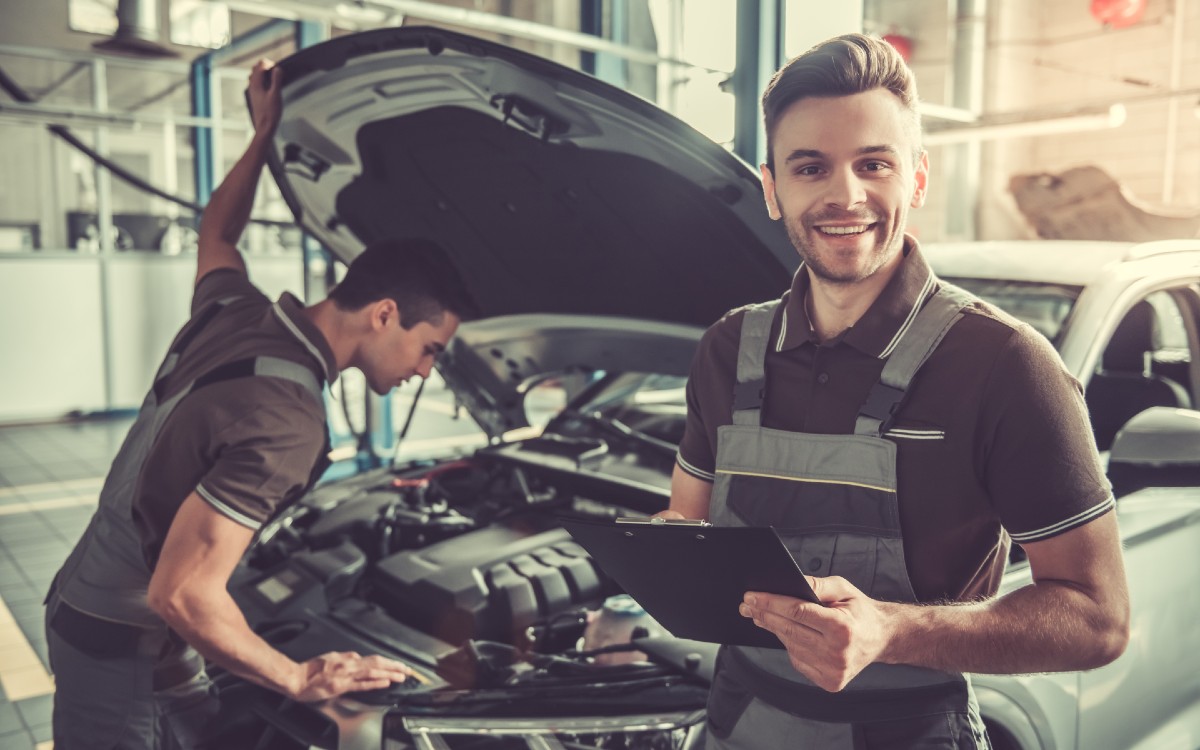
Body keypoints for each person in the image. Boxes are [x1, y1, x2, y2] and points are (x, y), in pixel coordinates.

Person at [664, 34, 1130, 749]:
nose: (844, 194)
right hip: (737, 723)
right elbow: (687, 527)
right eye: (810, 167)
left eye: (873, 164)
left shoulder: (1005, 363)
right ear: (771, 188)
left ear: (915, 178)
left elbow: (1097, 620)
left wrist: (891, 631)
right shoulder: (729, 348)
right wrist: (656, 558)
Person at [44, 59, 477, 750]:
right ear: (385, 314)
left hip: (106, 612)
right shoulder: (288, 421)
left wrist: (262, 136)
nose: (426, 371)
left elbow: (217, 235)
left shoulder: (238, 311)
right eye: (429, 348)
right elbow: (180, 596)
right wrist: (298, 677)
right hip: (118, 645)